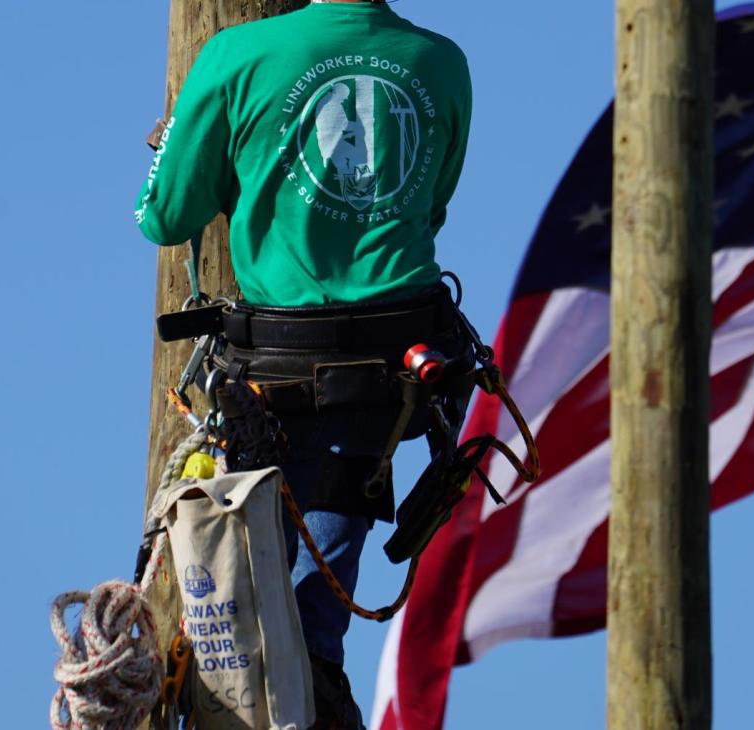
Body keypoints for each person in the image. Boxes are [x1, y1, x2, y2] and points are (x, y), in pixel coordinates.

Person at [136, 1, 472, 727]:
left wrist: (172, 145)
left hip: (272, 383)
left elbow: (162, 216)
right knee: (308, 635)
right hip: (388, 388)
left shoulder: (235, 56)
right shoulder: (441, 63)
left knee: (242, 643)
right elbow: (430, 207)